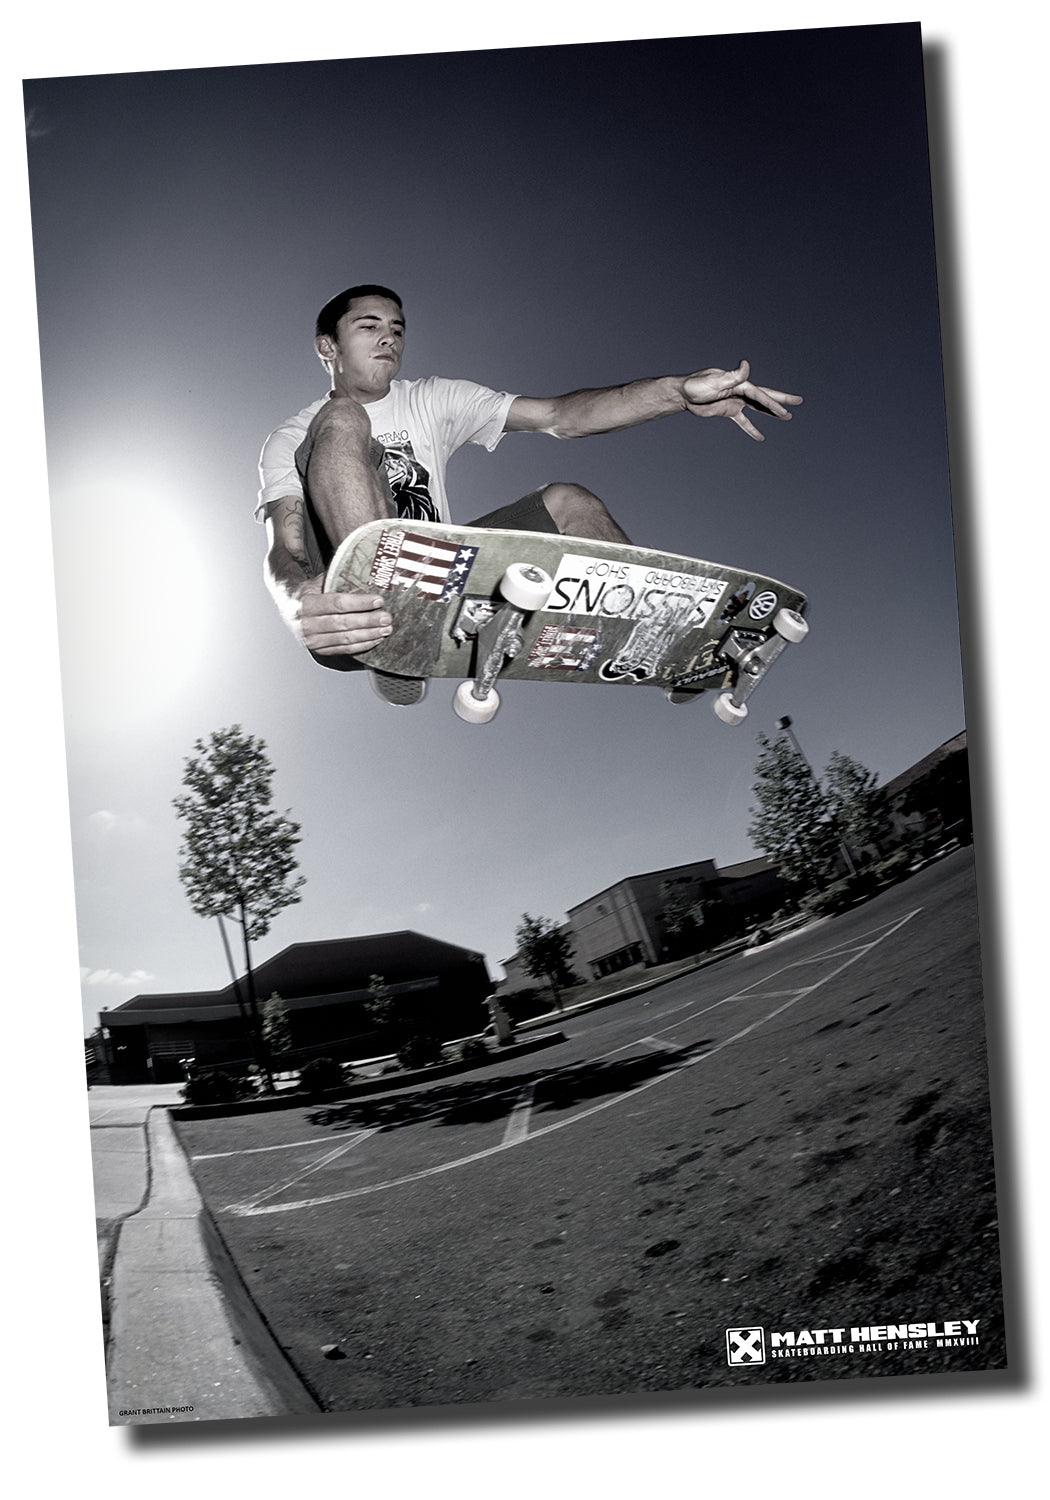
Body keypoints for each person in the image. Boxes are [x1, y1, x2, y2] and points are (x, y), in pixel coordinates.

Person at [257, 283, 802, 703]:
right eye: (369, 326)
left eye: (398, 329)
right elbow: (285, 547)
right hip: (348, 601)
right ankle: (391, 622)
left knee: (570, 501)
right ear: (327, 346)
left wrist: (677, 393)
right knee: (342, 418)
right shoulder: (290, 435)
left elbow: (559, 415)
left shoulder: (431, 398)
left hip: (440, 573)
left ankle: (660, 642)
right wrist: (296, 604)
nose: (389, 339)